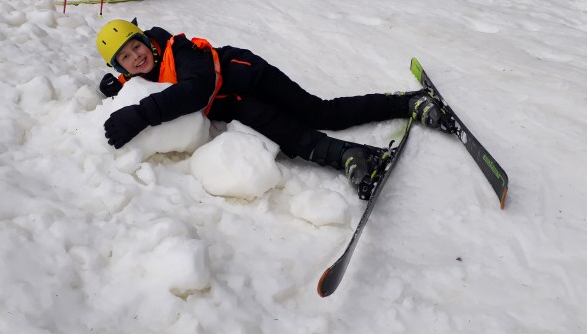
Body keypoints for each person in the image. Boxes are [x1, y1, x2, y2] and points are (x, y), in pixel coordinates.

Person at [95, 19, 454, 199]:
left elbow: (197, 89)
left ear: (147, 42)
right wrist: (113, 88)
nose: (136, 57)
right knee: (284, 132)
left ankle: (407, 102)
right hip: (235, 103)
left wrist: (141, 114)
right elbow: (135, 84)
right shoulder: (136, 76)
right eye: (125, 58)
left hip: (251, 77)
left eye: (135, 46)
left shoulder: (179, 50)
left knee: (321, 113)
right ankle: (350, 157)